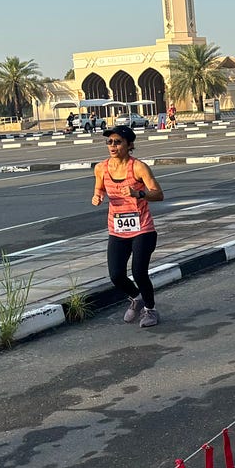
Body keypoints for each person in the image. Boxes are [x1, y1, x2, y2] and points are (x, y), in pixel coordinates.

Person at [91, 125, 166, 327]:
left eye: (118, 142)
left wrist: (138, 193)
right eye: (109, 142)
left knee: (139, 272)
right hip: (117, 230)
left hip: (142, 228)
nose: (113, 146)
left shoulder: (138, 167)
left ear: (129, 145)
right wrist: (97, 196)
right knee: (116, 275)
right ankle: (136, 298)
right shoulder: (101, 168)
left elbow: (158, 194)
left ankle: (150, 310)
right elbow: (99, 189)